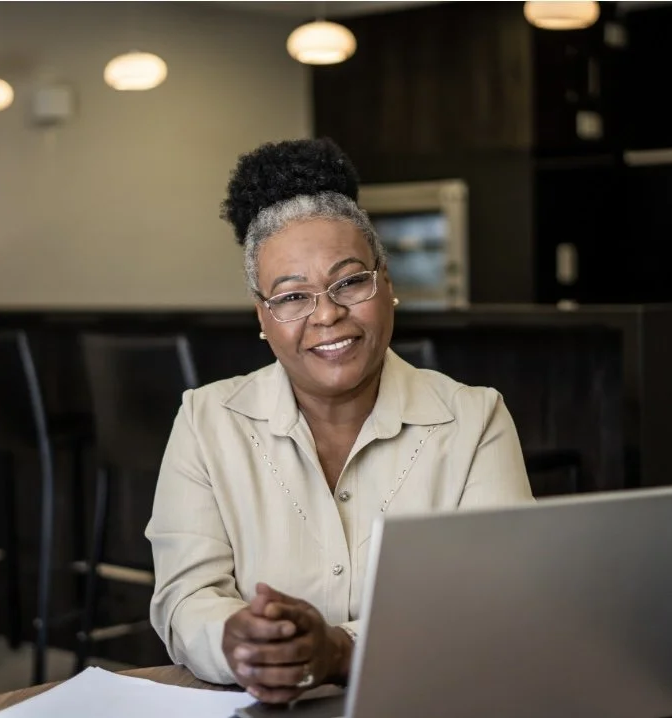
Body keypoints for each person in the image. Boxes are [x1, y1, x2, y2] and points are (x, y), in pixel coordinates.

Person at [146, 138, 533, 704]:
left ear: (388, 284)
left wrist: (342, 651)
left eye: (349, 282)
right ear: (263, 316)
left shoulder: (475, 421)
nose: (326, 314)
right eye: (292, 296)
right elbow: (185, 597)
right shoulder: (206, 422)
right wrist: (236, 641)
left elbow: (498, 604)